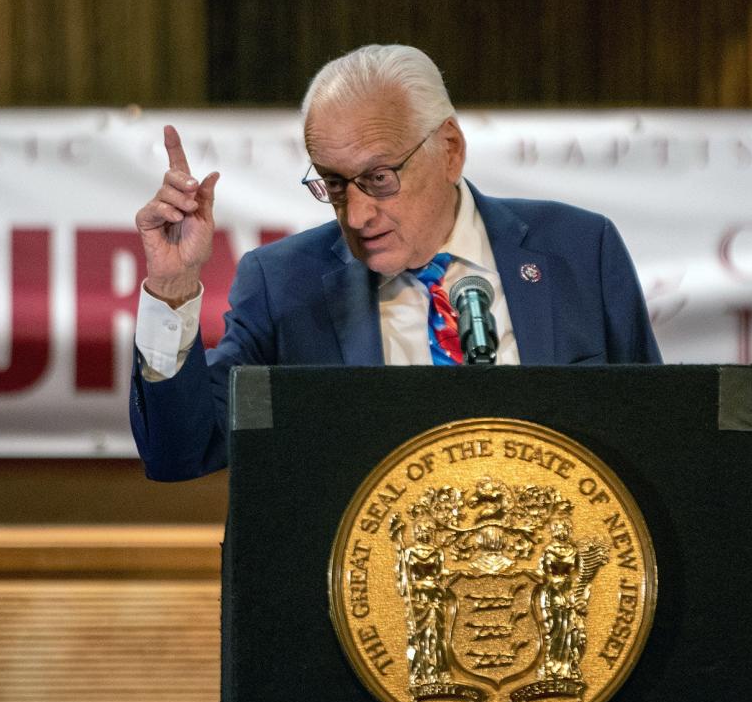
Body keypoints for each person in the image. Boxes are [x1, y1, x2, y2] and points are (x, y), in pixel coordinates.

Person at [130, 44, 661, 482]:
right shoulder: (283, 284)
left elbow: (656, 440)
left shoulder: (578, 251)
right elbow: (180, 453)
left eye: (379, 178)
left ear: (450, 150)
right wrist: (172, 287)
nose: (357, 215)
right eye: (334, 184)